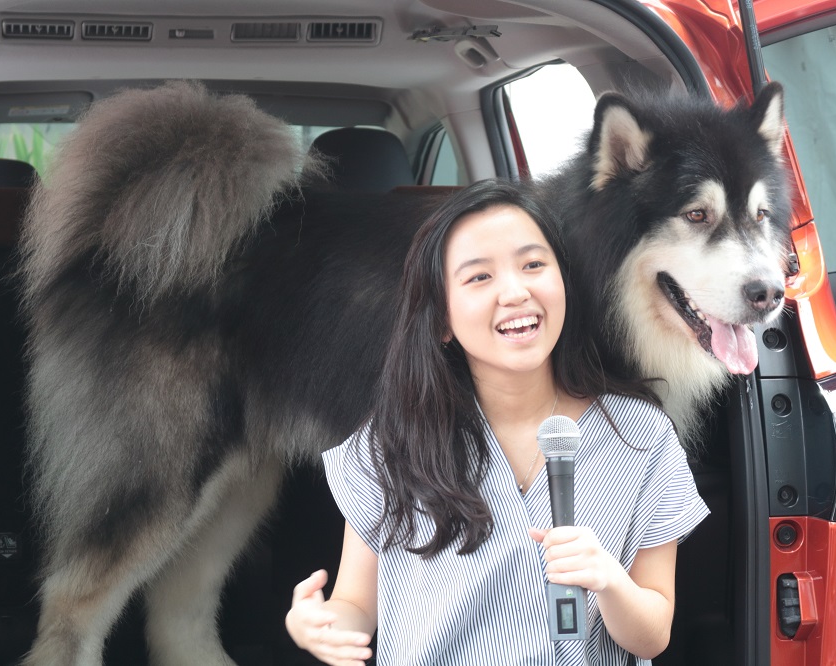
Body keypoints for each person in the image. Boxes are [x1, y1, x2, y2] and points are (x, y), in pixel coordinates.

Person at [285, 179, 709, 665]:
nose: (514, 291)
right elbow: (356, 604)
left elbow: (654, 634)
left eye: (532, 265)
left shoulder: (640, 436)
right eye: (479, 277)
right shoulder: (394, 440)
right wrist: (318, 624)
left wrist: (609, 582)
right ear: (442, 319)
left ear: (565, 284)